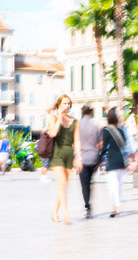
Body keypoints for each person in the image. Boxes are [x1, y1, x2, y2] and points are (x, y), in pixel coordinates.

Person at [48, 94, 82, 225]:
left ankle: (54, 212)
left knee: (63, 186)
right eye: (64, 103)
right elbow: (53, 134)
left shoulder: (75, 121)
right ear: (59, 105)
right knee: (62, 182)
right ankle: (66, 213)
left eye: (68, 103)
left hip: (69, 153)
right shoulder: (53, 118)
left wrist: (78, 157)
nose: (67, 106)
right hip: (57, 153)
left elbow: (77, 141)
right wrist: (59, 119)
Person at [101, 107, 126, 218]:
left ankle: (116, 207)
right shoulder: (121, 130)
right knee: (119, 185)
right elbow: (123, 145)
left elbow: (104, 148)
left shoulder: (106, 131)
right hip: (121, 160)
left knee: (112, 185)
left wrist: (99, 158)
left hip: (112, 160)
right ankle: (116, 206)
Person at [79, 104, 102, 219]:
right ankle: (88, 202)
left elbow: (75, 143)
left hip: (82, 158)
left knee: (84, 184)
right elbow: (100, 144)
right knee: (89, 182)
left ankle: (87, 206)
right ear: (92, 112)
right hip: (93, 158)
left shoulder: (77, 126)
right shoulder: (96, 127)